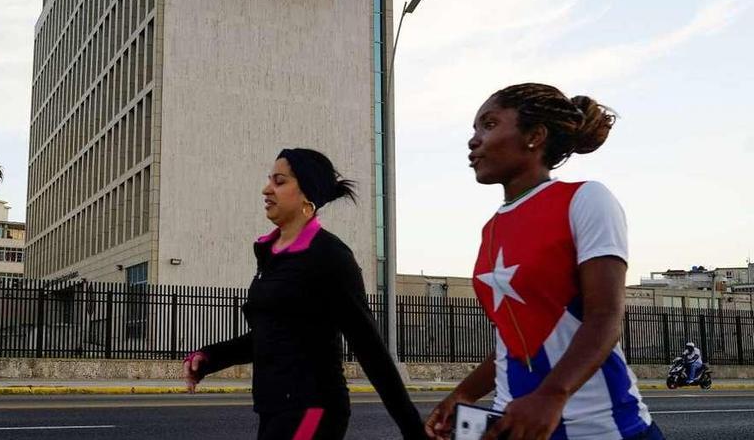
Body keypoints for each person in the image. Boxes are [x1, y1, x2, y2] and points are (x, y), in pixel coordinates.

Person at [425, 83, 663, 440]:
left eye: (488, 125)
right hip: (516, 427)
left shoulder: (585, 199)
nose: (474, 140)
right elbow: (517, 340)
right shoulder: (492, 228)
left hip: (604, 430)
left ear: (535, 136)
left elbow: (605, 318)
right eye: (474, 129)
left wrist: (552, 394)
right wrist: (463, 394)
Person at [184, 148, 426, 440]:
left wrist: (414, 430)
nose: (266, 189)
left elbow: (369, 348)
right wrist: (209, 358)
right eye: (269, 180)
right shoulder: (271, 255)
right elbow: (271, 336)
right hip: (273, 409)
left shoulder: (330, 256)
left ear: (306, 197)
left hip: (314, 410)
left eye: (279, 181)